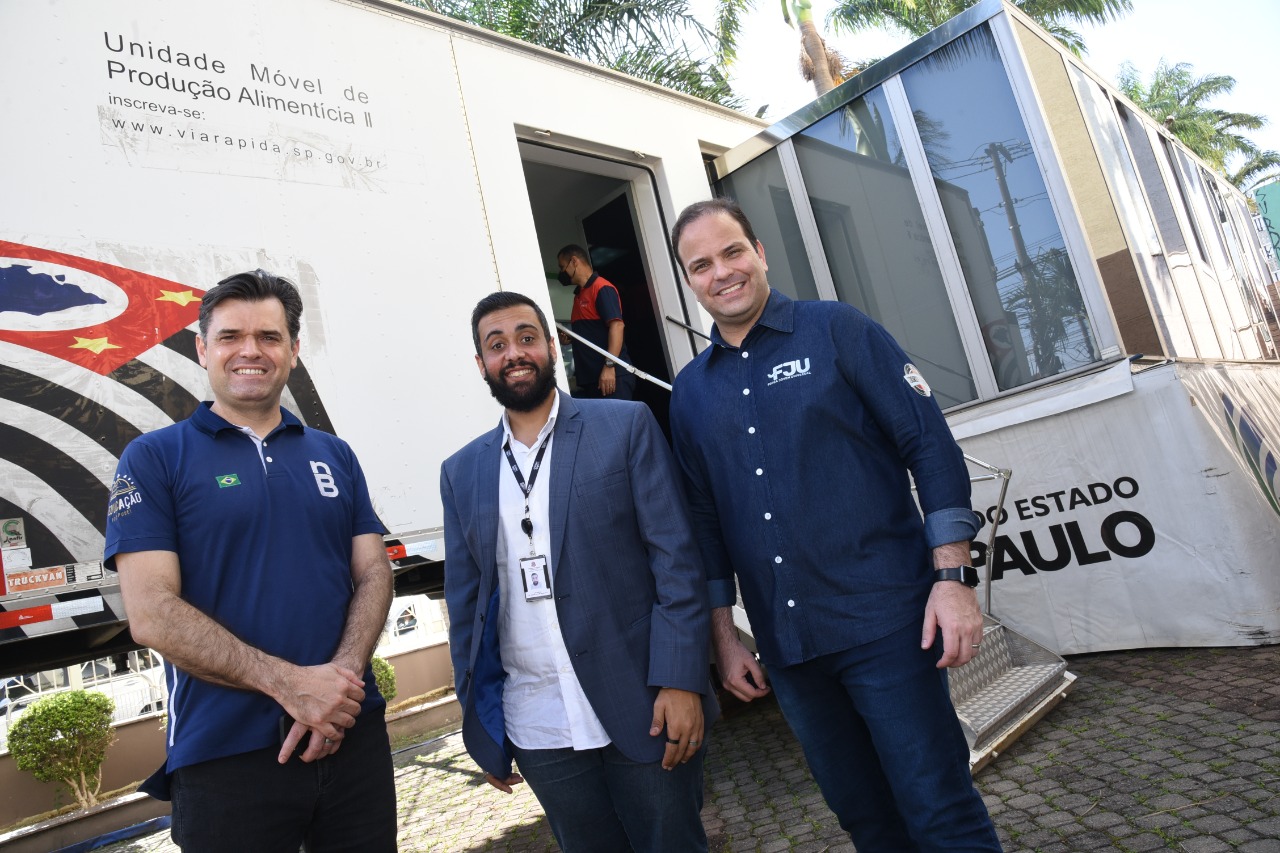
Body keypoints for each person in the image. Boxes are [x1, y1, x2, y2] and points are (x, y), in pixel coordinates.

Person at [667, 199, 1002, 852]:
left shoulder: (838, 330)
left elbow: (930, 448)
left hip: (890, 626)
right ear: (689, 280)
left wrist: (954, 578)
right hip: (791, 650)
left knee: (939, 809)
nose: (722, 271)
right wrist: (723, 638)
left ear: (760, 253)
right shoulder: (690, 394)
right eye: (701, 264)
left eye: (732, 251)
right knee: (866, 820)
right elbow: (703, 523)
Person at [105, 270, 397, 852]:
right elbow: (152, 614)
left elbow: (374, 571)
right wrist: (292, 687)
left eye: (269, 336)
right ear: (203, 349)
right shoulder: (154, 458)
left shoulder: (334, 454)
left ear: (292, 349)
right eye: (231, 335)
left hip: (350, 740)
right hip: (226, 758)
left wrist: (336, 687)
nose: (250, 351)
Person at [441, 290, 715, 851]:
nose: (514, 352)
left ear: (550, 346)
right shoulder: (461, 471)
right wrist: (484, 726)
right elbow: (467, 610)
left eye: (525, 337)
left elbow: (676, 561)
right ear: (481, 365)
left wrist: (681, 678)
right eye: (497, 345)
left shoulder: (625, 425)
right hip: (537, 721)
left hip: (644, 703)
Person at [557, 244, 636, 400]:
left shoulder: (601, 288)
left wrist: (609, 366)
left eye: (562, 267)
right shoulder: (579, 295)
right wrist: (571, 338)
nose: (561, 272)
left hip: (611, 377)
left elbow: (617, 326)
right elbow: (594, 332)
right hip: (592, 379)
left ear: (574, 261)